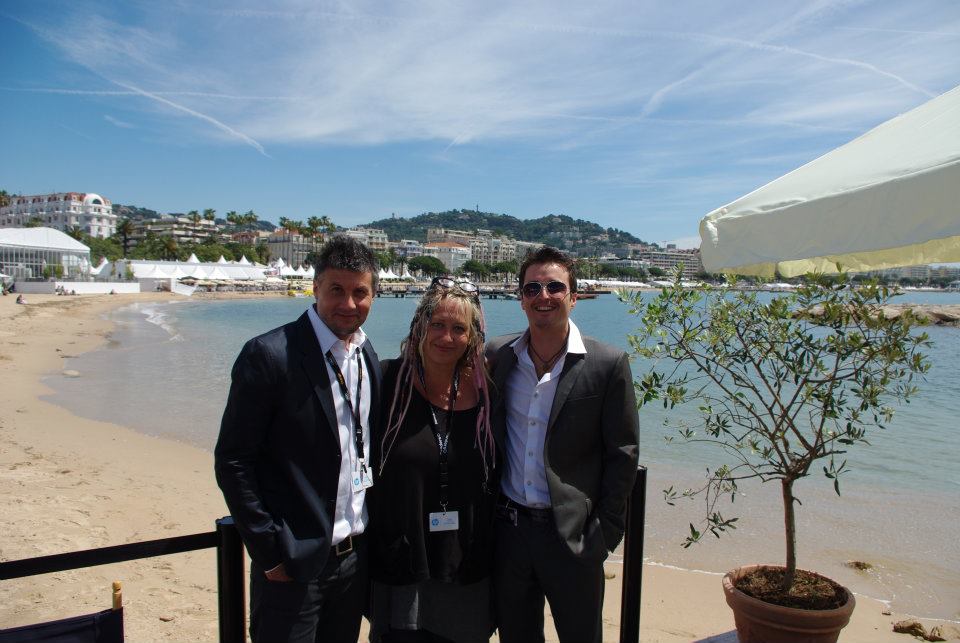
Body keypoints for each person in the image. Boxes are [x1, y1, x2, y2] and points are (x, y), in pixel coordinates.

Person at [214, 236, 382, 643]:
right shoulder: (270, 355)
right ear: (315, 288)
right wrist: (269, 552)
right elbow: (233, 460)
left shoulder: (365, 354)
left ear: (374, 294)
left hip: (353, 561)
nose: (348, 303)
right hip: (293, 565)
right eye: (336, 290)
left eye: (360, 292)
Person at [486, 246, 640, 643]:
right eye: (532, 287)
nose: (543, 296)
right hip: (509, 533)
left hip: (573, 536)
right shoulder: (496, 357)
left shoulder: (607, 364)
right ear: (520, 298)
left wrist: (606, 533)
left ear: (573, 297)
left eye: (555, 286)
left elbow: (622, 453)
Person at [368, 276, 497, 643]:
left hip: (466, 565)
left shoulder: (487, 392)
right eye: (437, 324)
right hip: (403, 564)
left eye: (459, 328)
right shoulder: (387, 381)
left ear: (472, 336)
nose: (446, 337)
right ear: (419, 326)